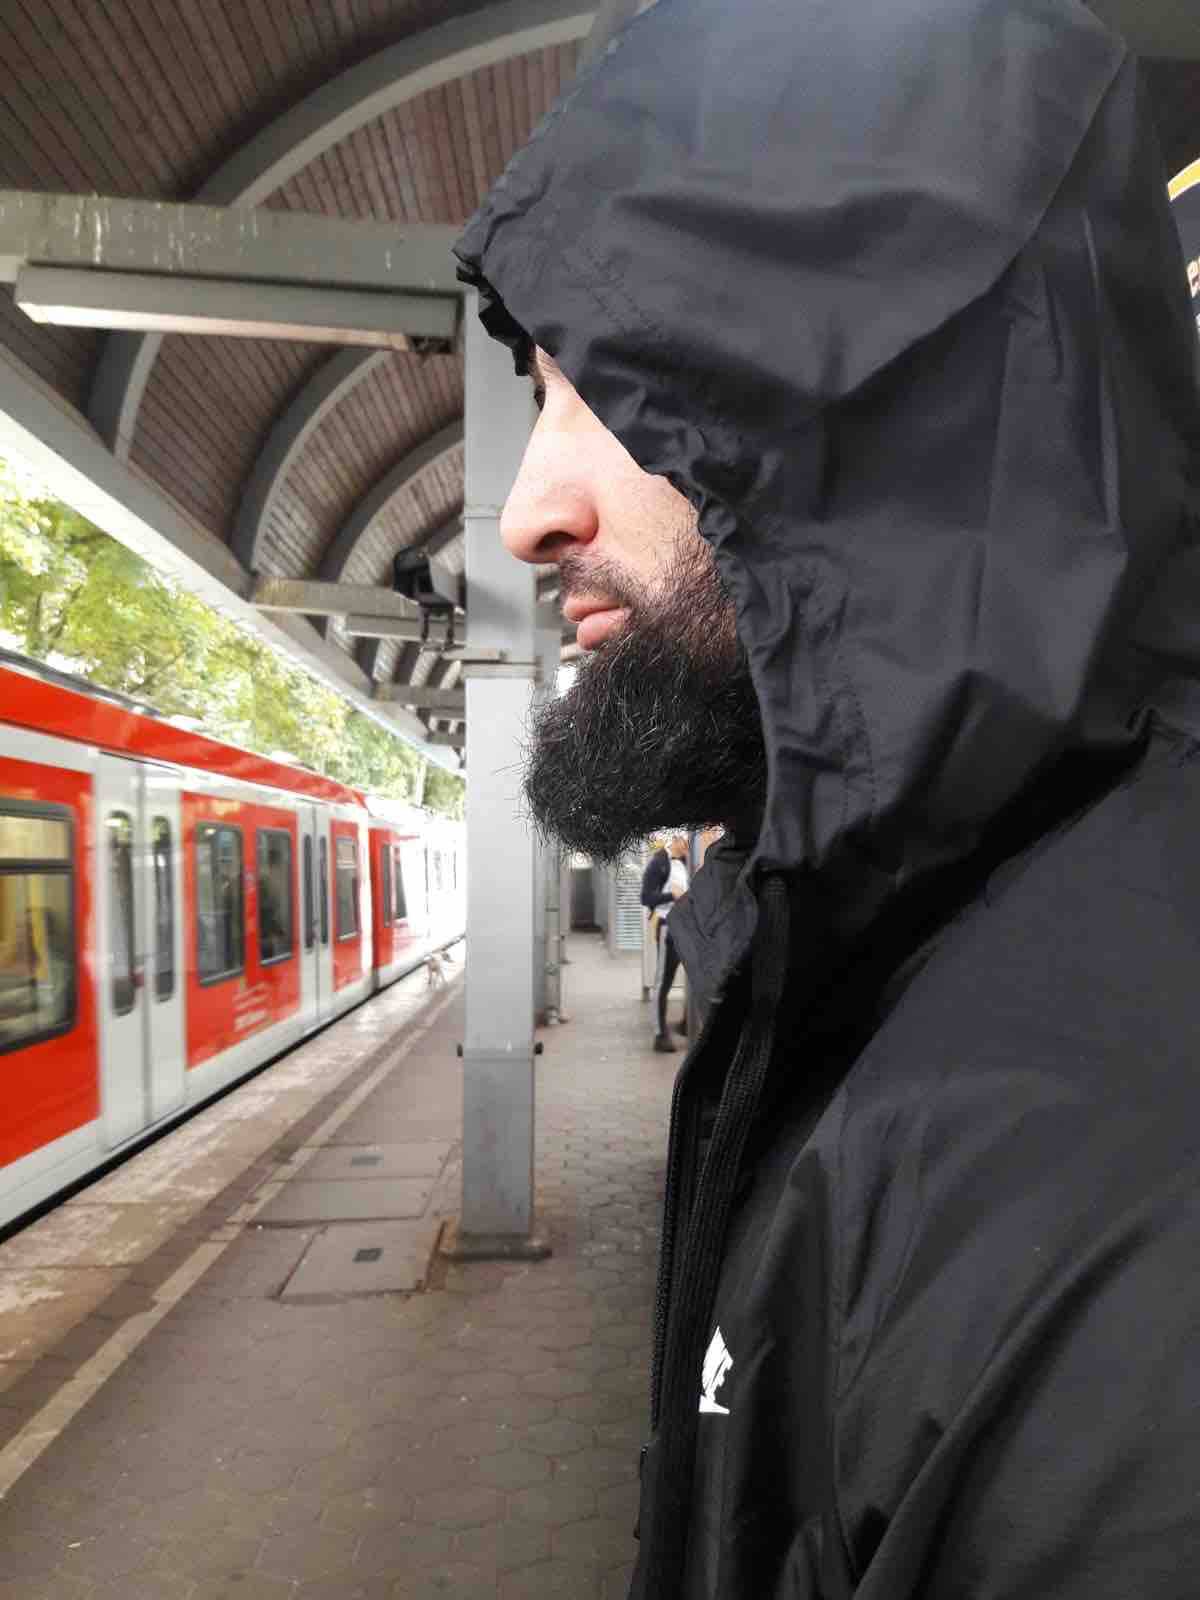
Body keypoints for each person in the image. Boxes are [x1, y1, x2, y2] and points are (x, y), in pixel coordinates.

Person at [454, 2, 1200, 1596]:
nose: (527, 511)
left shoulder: (1115, 1187)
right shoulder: (862, 940)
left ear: (877, 415)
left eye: (613, 389)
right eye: (537, 397)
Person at [641, 834, 690, 1052]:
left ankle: (687, 1022)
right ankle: (659, 1034)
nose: (688, 844)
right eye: (686, 840)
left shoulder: (686, 862)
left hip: (685, 926)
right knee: (664, 981)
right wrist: (671, 895)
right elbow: (646, 898)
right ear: (676, 839)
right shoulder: (658, 862)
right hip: (666, 926)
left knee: (693, 975)